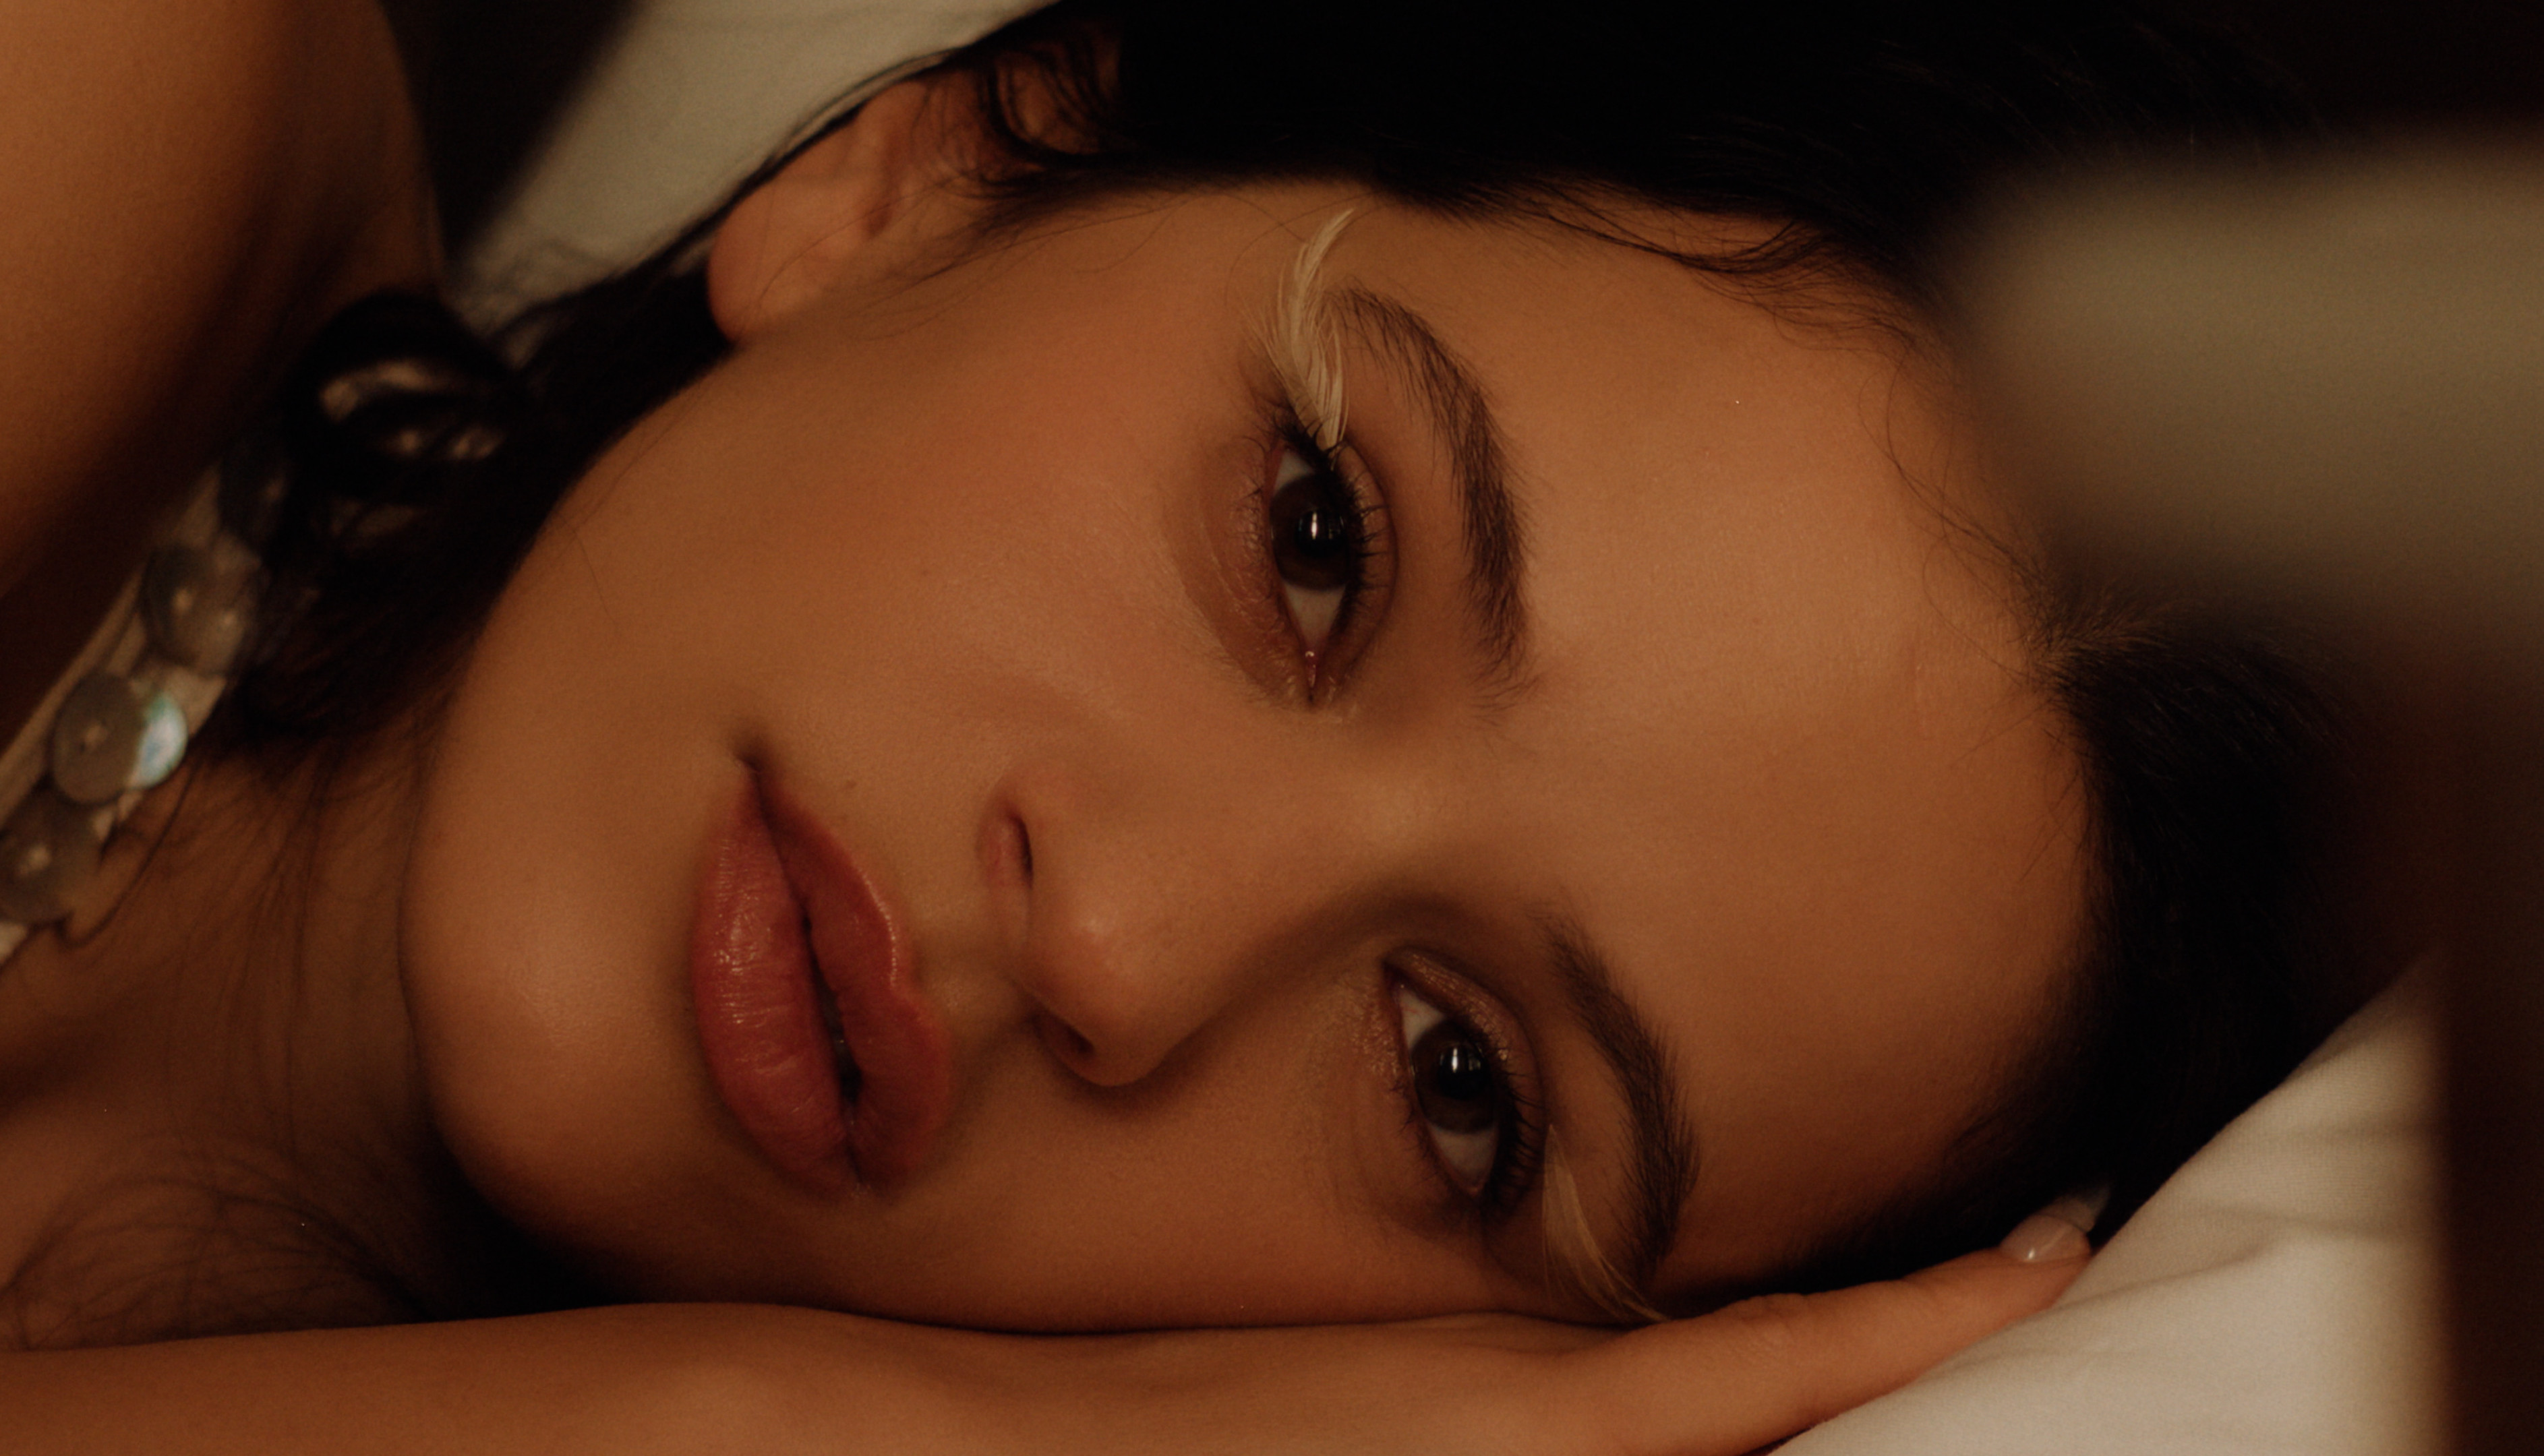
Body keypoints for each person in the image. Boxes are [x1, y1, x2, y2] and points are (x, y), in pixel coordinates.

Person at [0, 0, 2378, 1449]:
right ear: (930, 169)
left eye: (1463, 1083)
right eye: (1317, 539)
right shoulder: (109, 109)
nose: (1120, 946)